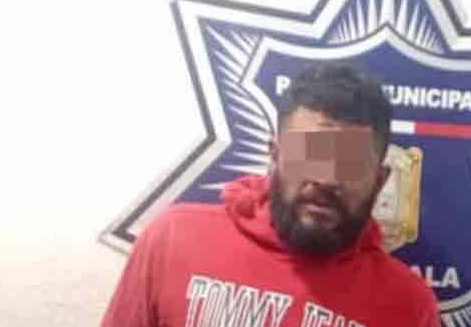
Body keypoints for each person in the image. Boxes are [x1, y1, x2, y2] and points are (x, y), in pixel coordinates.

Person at [101, 64, 440, 327]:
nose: (326, 179)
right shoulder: (174, 238)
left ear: (379, 181)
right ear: (275, 156)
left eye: (350, 165)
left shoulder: (409, 307)